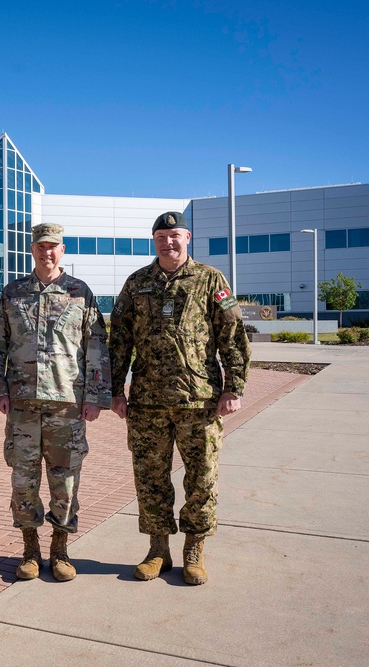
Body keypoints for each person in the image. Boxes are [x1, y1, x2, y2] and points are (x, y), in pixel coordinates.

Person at [109, 211, 250, 585]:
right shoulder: (137, 282)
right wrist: (113, 390)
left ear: (187, 237)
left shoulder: (209, 279)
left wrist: (233, 386)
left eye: (174, 236)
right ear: (153, 240)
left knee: (201, 478)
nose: (168, 242)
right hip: (147, 401)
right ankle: (158, 550)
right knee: (150, 478)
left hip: (200, 399)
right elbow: (119, 339)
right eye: (161, 237)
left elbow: (232, 334)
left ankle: (194, 550)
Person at [0, 222, 111, 582]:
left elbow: (96, 348)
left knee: (65, 483)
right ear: (32, 250)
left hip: (67, 405)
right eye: (40, 246)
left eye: (53, 246)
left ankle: (60, 551)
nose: (47, 252)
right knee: (23, 481)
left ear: (62, 249)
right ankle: (30, 551)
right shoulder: (13, 293)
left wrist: (95, 399)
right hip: (23, 406)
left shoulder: (79, 293)